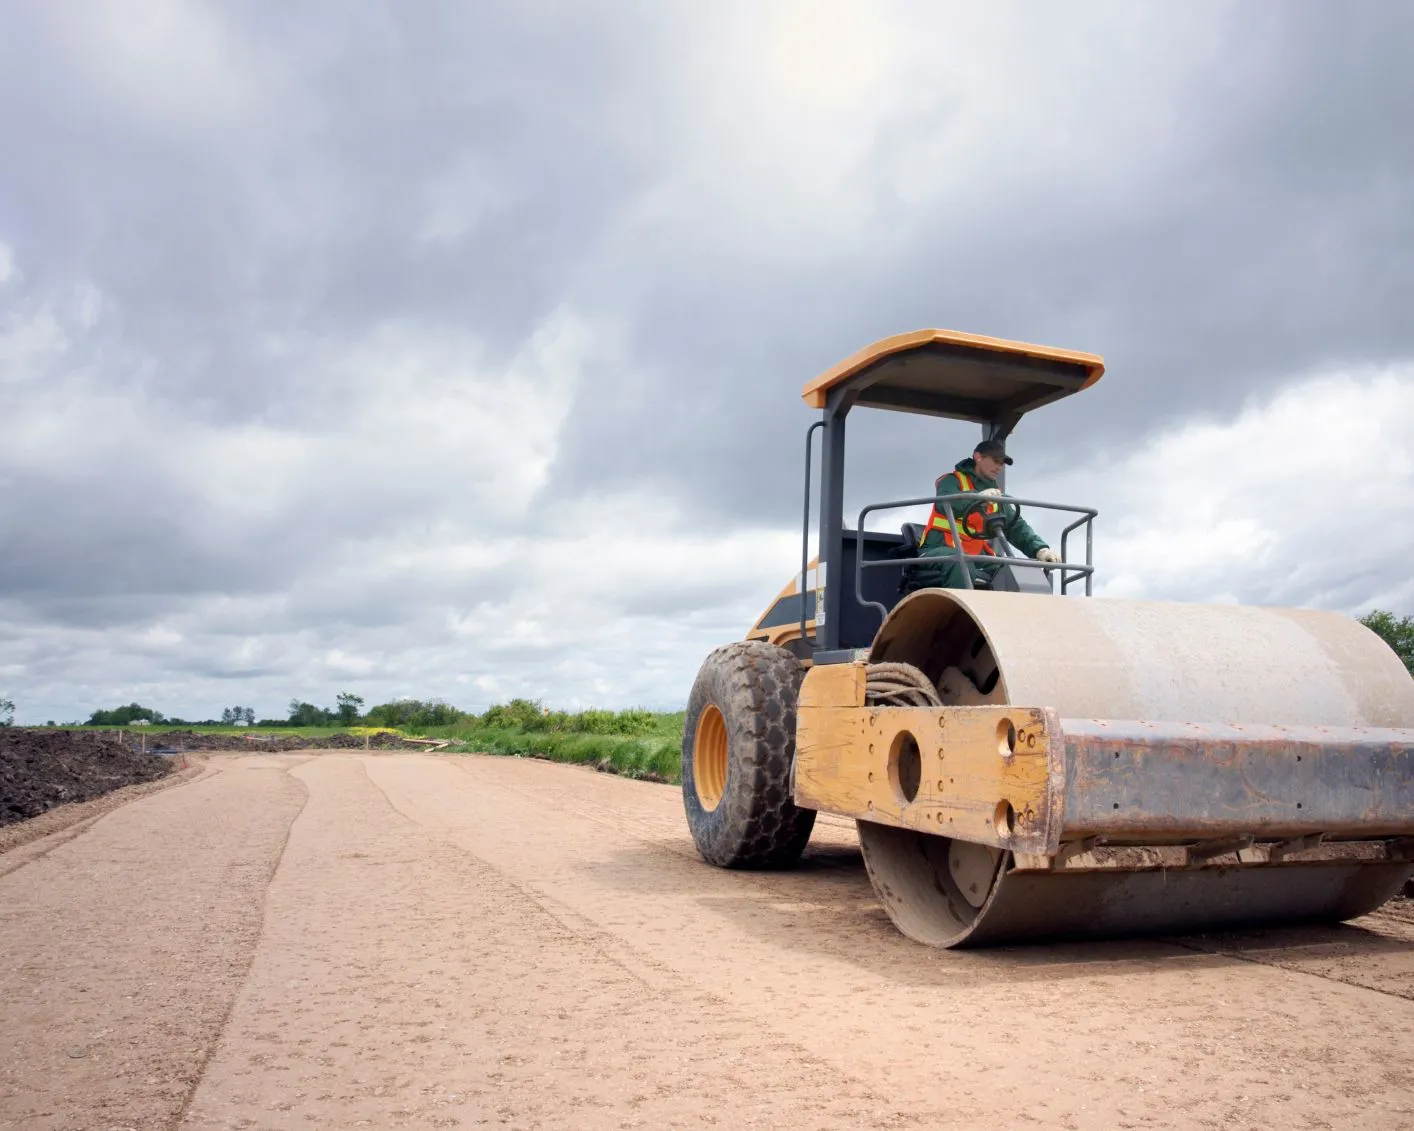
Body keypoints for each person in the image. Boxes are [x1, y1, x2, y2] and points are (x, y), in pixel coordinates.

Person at [904, 438, 1060, 592]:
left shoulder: (995, 496)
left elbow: (1016, 526)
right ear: (978, 457)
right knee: (960, 562)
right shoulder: (951, 481)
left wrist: (1040, 549)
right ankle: (962, 615)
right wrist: (977, 498)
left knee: (1013, 571)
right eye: (995, 461)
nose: (999, 467)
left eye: (1002, 464)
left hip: (976, 554)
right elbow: (946, 504)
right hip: (938, 549)